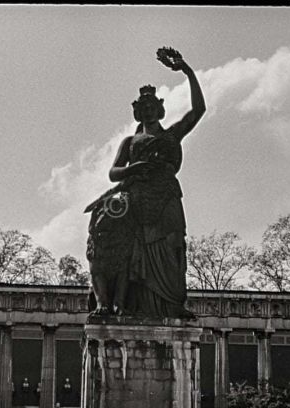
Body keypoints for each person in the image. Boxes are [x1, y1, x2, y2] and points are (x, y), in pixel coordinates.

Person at [85, 47, 206, 318]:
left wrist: (187, 72)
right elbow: (114, 172)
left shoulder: (173, 134)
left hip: (167, 197)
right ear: (138, 114)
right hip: (138, 200)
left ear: (160, 110)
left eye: (153, 107)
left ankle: (173, 305)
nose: (149, 111)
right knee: (136, 252)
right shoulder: (130, 142)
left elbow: (199, 110)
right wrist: (133, 169)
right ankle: (132, 305)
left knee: (173, 246)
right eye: (144, 109)